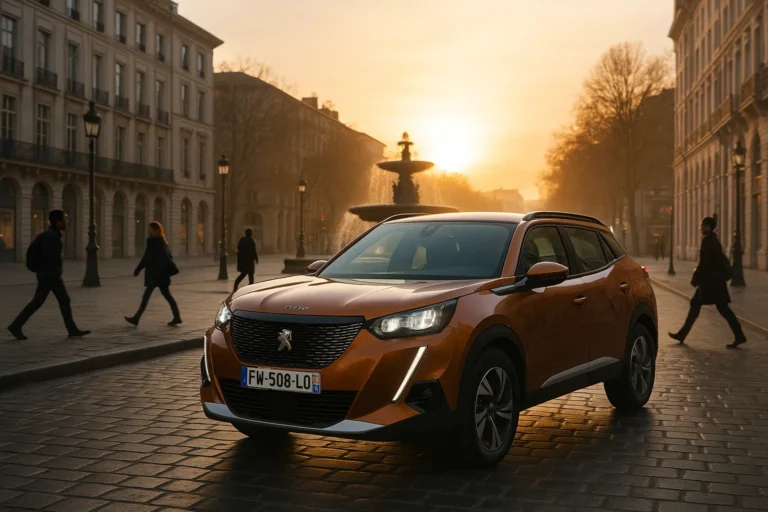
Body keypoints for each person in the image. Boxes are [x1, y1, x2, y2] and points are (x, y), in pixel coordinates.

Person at [7, 210, 91, 340]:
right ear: (58, 222)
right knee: (62, 300)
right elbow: (49, 257)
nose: (66, 222)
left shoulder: (50, 235)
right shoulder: (52, 237)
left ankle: (16, 325)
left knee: (39, 301)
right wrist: (56, 274)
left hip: (46, 275)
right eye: (64, 219)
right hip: (50, 276)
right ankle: (72, 330)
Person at [669, 216, 747, 348]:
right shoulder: (712, 240)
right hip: (712, 282)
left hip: (712, 283)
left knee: (722, 309)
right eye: (702, 225)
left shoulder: (709, 241)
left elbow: (706, 263)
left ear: (711, 227)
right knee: (698, 304)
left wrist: (697, 277)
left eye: (705, 226)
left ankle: (739, 336)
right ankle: (682, 334)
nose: (702, 228)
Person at [124, 221, 182, 326]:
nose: (149, 231)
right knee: (168, 297)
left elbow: (147, 257)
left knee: (146, 297)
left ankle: (136, 318)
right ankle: (177, 317)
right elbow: (169, 256)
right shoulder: (163, 241)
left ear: (155, 230)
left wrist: (138, 269)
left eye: (150, 229)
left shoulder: (154, 242)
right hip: (162, 275)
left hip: (155, 275)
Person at [234, 227, 259, 292]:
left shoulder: (242, 239)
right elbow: (254, 251)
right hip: (250, 261)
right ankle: (251, 288)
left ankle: (235, 285)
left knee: (243, 274)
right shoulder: (252, 240)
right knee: (251, 275)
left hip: (243, 260)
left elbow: (238, 248)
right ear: (250, 233)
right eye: (251, 232)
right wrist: (256, 258)